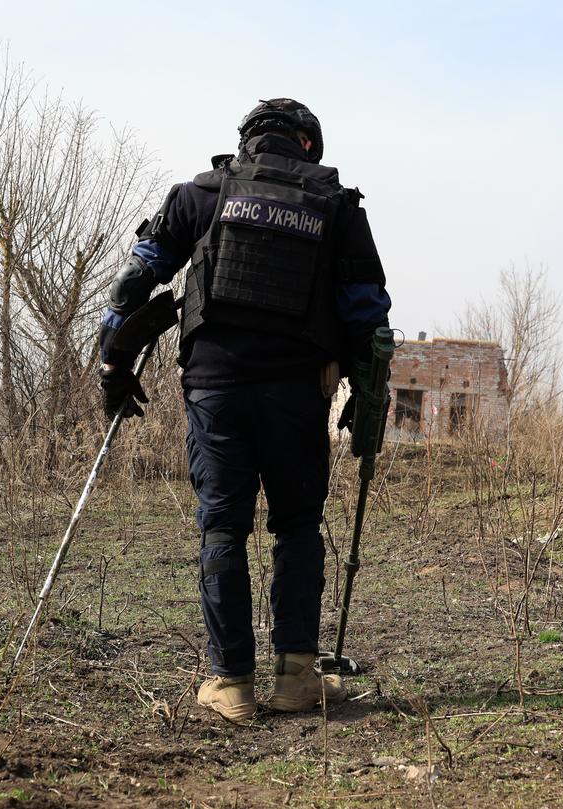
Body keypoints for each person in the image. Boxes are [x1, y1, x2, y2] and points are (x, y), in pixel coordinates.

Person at [97, 99, 391, 721]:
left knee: (223, 526)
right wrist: (369, 394)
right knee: (298, 526)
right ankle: (295, 679)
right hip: (298, 391)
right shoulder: (336, 206)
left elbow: (132, 283)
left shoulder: (199, 194)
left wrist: (113, 365)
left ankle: (231, 685)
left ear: (247, 141)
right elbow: (368, 310)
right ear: (308, 146)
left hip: (214, 388)